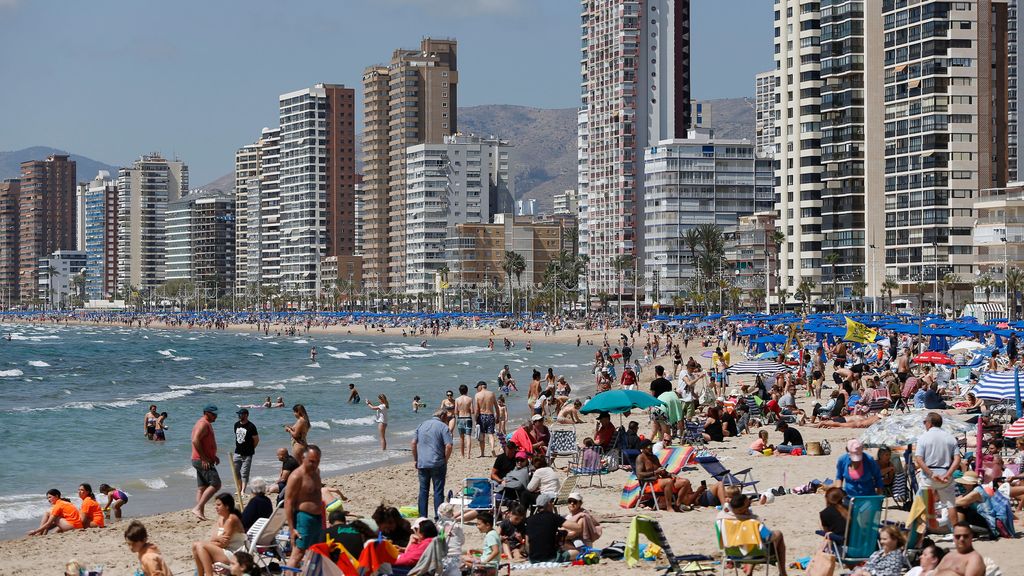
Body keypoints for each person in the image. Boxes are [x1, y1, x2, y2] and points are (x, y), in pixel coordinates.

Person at [717, 493, 788, 576]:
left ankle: (749, 572)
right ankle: (783, 573)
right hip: (757, 555)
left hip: (732, 555)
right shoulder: (753, 522)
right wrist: (776, 535)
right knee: (777, 534)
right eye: (748, 505)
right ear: (742, 509)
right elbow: (768, 537)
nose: (749, 507)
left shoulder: (722, 520)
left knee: (751, 543)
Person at [913, 412, 961, 531]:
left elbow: (919, 459)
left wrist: (931, 473)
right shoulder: (950, 437)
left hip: (929, 476)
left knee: (921, 505)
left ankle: (920, 533)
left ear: (929, 423)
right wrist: (948, 474)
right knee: (951, 505)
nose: (924, 424)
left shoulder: (923, 437)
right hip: (945, 474)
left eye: (925, 422)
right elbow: (957, 459)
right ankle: (957, 533)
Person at [284, 445, 324, 567]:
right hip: (303, 518)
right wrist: (292, 529)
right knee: (298, 554)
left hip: (317, 519)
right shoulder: (296, 476)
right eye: (311, 461)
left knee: (316, 551)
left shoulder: (316, 472)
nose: (315, 464)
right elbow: (288, 502)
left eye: (317, 461)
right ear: (303, 458)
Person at [412, 408, 454, 518]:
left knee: (423, 490)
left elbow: (413, 443)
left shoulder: (422, 425)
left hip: (422, 462)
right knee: (438, 491)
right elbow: (449, 445)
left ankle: (422, 516)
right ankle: (438, 516)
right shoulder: (443, 427)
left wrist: (416, 459)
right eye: (447, 418)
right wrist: (446, 459)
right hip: (437, 462)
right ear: (443, 417)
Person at [191, 493, 245, 576]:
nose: (216, 507)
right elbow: (213, 539)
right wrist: (217, 538)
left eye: (219, 505)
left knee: (200, 546)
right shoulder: (221, 518)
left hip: (234, 554)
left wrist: (216, 540)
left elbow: (223, 544)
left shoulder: (231, 519)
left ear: (227, 506)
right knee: (196, 545)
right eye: (216, 505)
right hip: (223, 551)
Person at [524, 494, 580, 563]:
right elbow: (577, 527)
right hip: (550, 558)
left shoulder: (529, 520)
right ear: (548, 504)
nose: (553, 504)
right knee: (578, 552)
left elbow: (527, 543)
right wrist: (580, 515)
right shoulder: (553, 517)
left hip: (533, 559)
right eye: (552, 502)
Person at [191, 404, 221, 521]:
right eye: (214, 414)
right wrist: (204, 458)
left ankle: (200, 514)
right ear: (207, 413)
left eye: (216, 414)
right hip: (200, 460)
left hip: (199, 459)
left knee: (202, 487)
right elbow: (195, 440)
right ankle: (198, 508)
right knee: (216, 484)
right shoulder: (203, 424)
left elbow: (205, 443)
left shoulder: (205, 423)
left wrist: (213, 456)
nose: (216, 416)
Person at [233, 408, 260, 495]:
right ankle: (239, 488)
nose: (239, 416)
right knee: (235, 471)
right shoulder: (236, 424)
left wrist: (252, 448)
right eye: (239, 414)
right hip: (237, 452)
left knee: (245, 472)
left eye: (241, 414)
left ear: (246, 415)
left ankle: (243, 491)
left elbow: (256, 440)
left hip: (247, 453)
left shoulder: (251, 426)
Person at [474, 381, 499, 457]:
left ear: (480, 386)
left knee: (482, 435)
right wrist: (497, 416)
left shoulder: (477, 395)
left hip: (481, 416)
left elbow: (476, 409)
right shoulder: (492, 394)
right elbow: (496, 407)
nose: (477, 389)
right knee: (491, 434)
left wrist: (475, 419)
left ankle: (482, 453)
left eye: (477, 387)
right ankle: (492, 448)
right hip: (490, 415)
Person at [454, 384, 474, 457]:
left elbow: (456, 412)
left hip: (460, 418)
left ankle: (462, 455)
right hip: (468, 418)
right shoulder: (470, 399)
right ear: (467, 390)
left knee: (461, 437)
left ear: (459, 391)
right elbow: (472, 411)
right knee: (468, 436)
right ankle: (468, 454)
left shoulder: (457, 399)